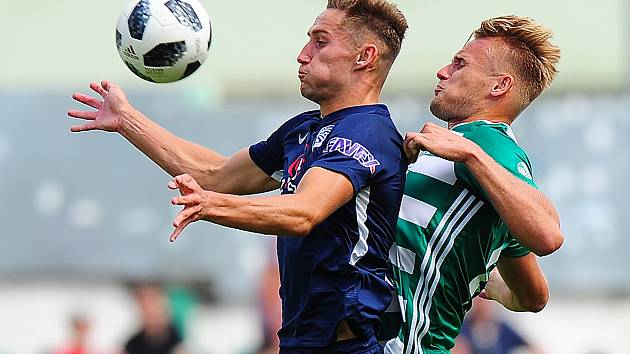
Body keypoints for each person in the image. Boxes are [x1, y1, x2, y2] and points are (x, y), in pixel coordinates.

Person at [67, 1, 409, 353]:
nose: (302, 55)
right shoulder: (304, 130)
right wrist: (128, 121)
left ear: (364, 57)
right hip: (300, 342)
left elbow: (305, 211)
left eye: (320, 42)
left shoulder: (368, 132)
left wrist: (210, 205)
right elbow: (214, 174)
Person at [382, 15, 564, 354]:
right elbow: (533, 296)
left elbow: (548, 234)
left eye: (459, 64)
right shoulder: (493, 186)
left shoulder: (482, 141)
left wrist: (469, 153)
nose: (443, 71)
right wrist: (486, 279)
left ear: (499, 87)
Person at [452, 298, 544, 354]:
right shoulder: (462, 327)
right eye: (479, 302)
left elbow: (534, 347)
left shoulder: (503, 328)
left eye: (486, 302)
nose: (483, 306)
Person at [124, 283, 185, 354]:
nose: (149, 311)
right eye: (144, 305)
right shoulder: (133, 344)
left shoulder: (178, 338)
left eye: (152, 304)